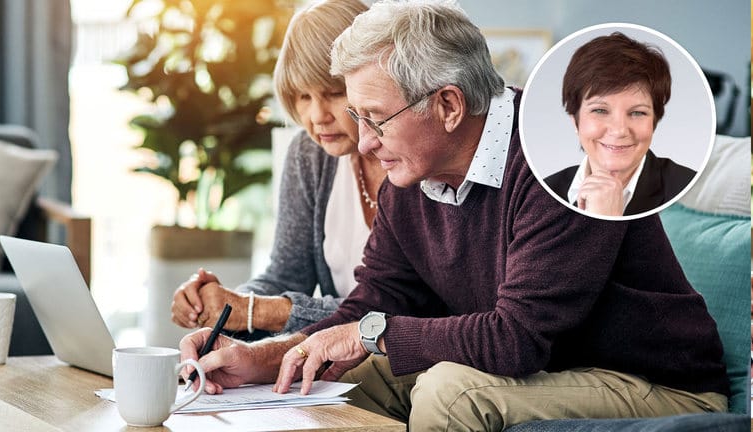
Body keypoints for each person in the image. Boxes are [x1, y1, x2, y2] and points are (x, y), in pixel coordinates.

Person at [179, 1, 729, 430]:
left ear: (447, 105)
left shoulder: (562, 163)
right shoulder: (414, 171)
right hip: (546, 369)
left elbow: (517, 338)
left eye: (375, 118)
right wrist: (266, 357)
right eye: (358, 117)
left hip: (654, 381)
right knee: (332, 384)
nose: (364, 143)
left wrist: (370, 334)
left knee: (449, 391)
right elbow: (372, 302)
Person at [170, 0, 383, 337]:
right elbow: (286, 275)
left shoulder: (412, 157)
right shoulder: (310, 154)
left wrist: (252, 311)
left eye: (334, 92)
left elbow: (393, 311)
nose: (318, 116)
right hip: (330, 360)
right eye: (303, 97)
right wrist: (224, 306)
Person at [543, 32, 696, 217]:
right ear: (575, 121)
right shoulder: (542, 191)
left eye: (637, 112)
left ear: (654, 122)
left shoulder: (690, 191)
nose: (619, 130)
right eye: (600, 110)